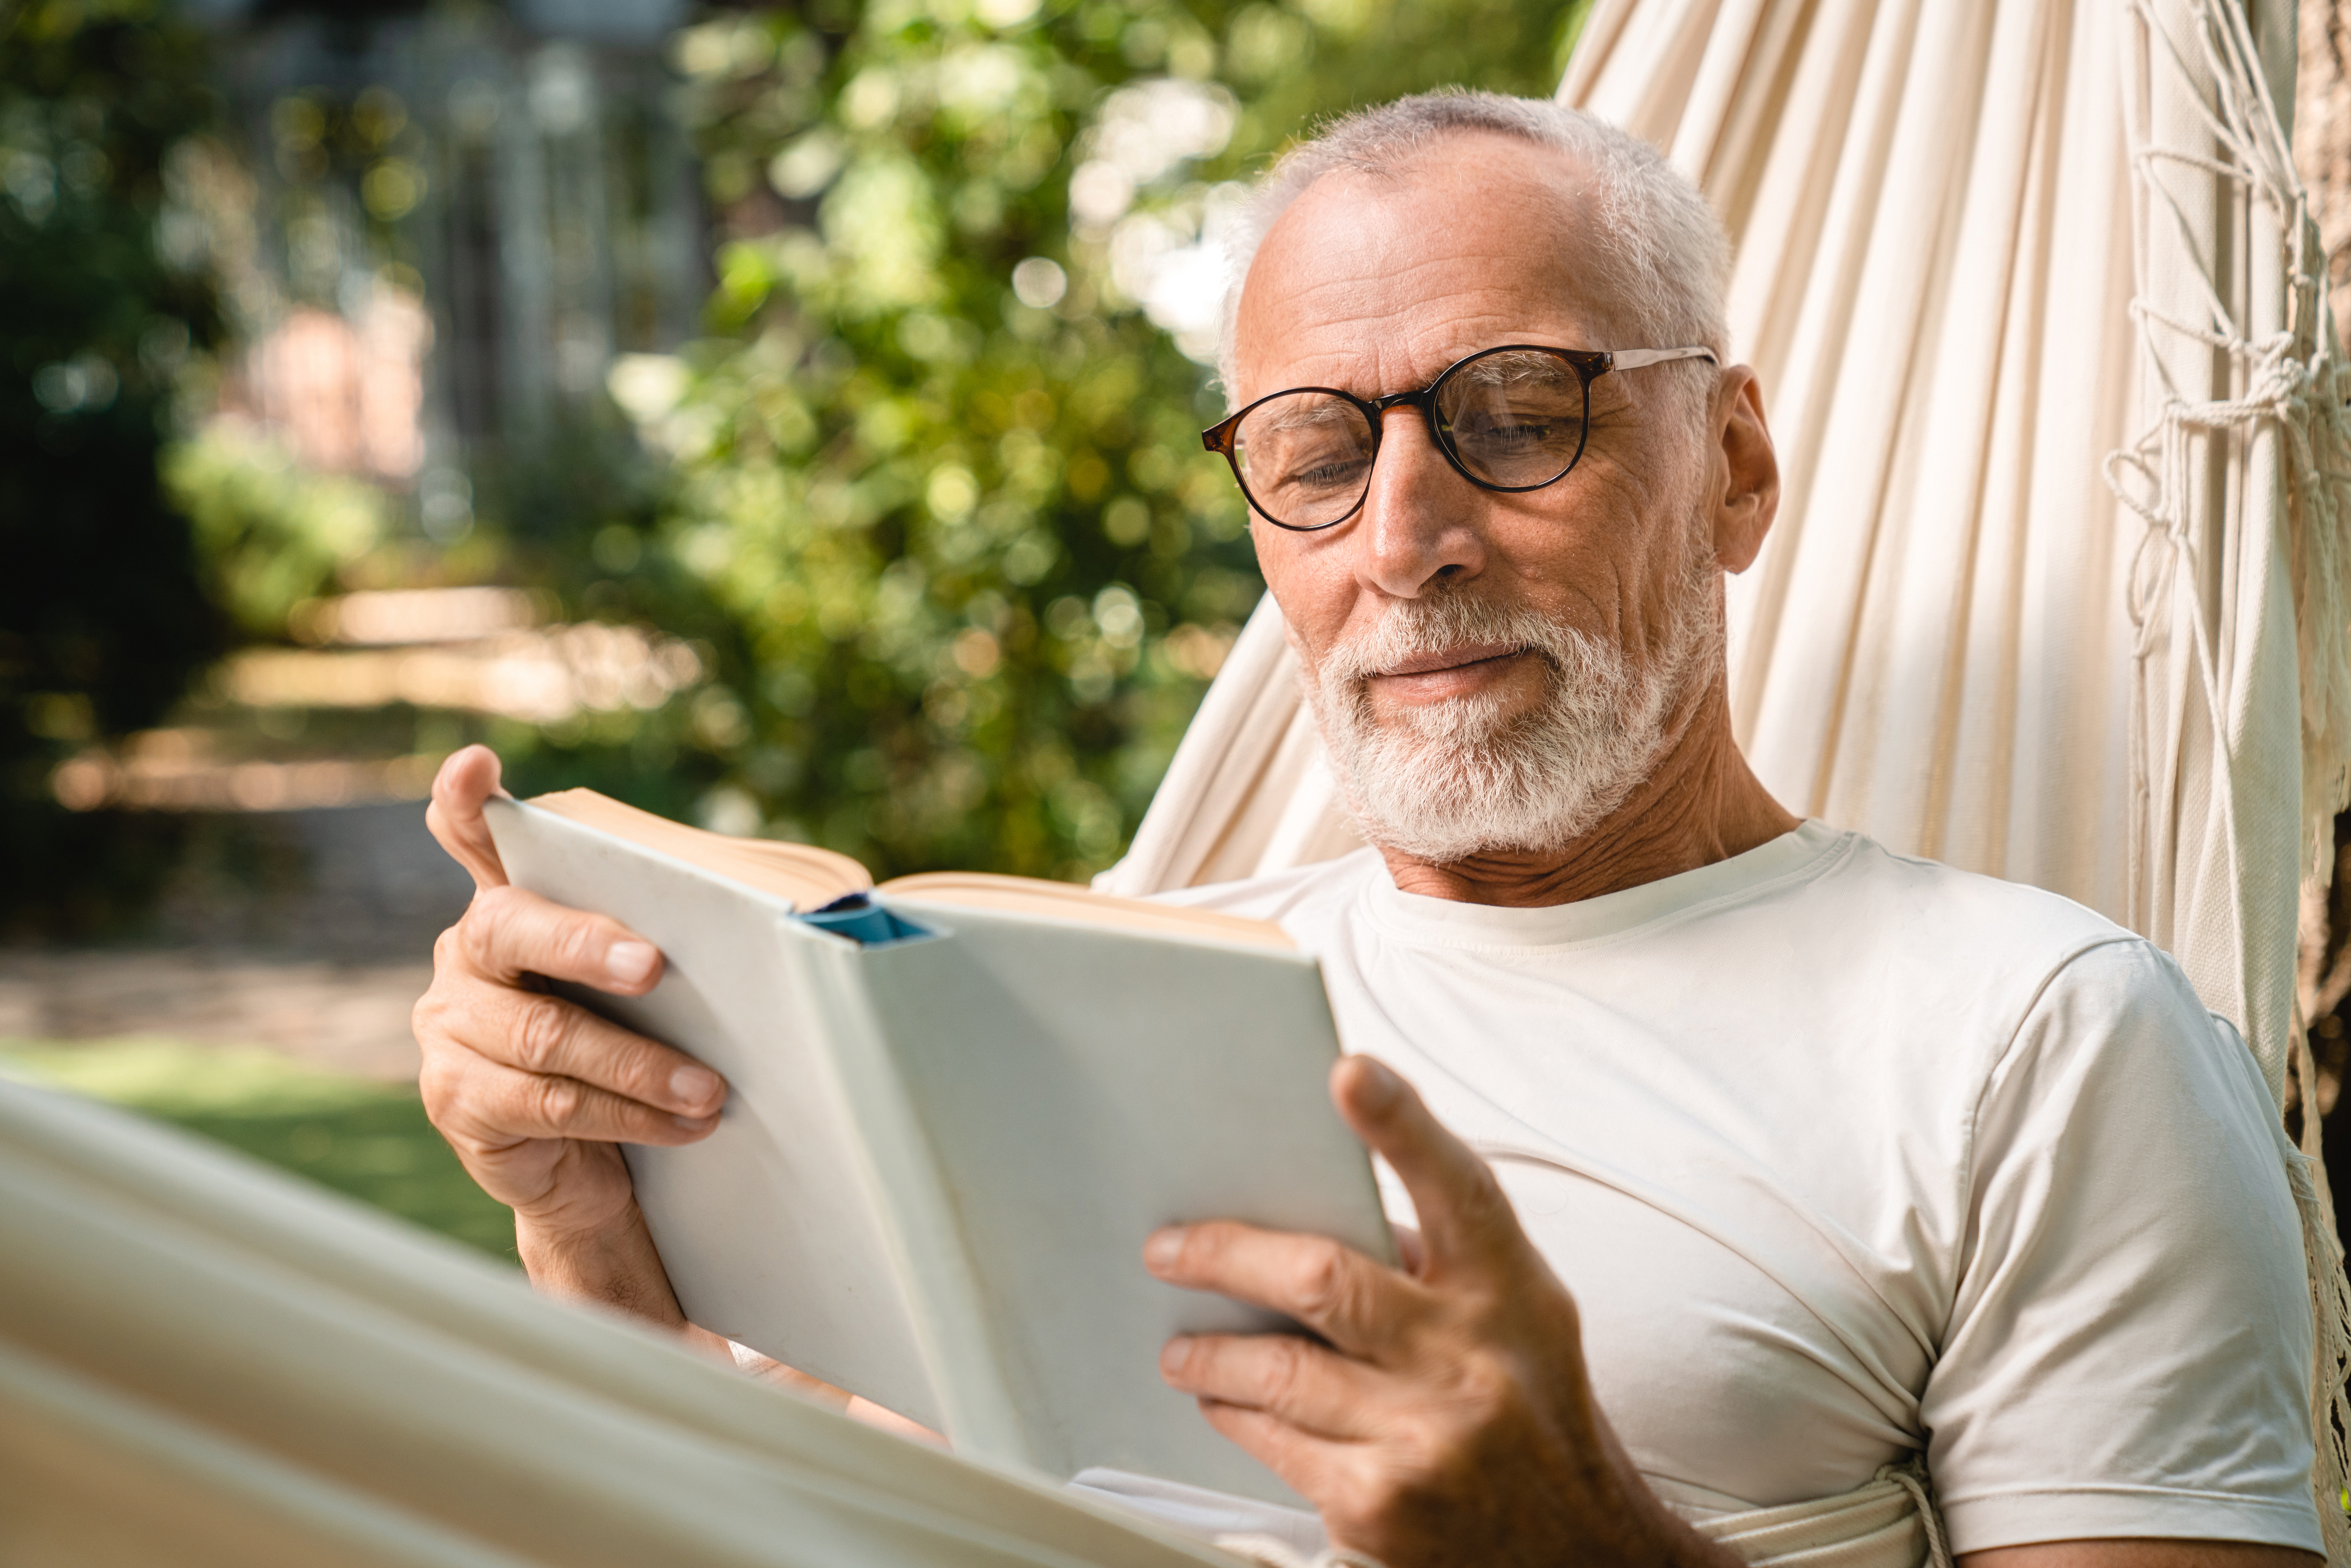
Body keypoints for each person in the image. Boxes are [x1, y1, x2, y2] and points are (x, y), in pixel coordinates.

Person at [414, 91, 2325, 1568]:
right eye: (1320, 453)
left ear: (1733, 462)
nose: (1405, 539)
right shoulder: (1128, 973)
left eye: (1516, 413)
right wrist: (586, 1225)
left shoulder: (2039, 1037)